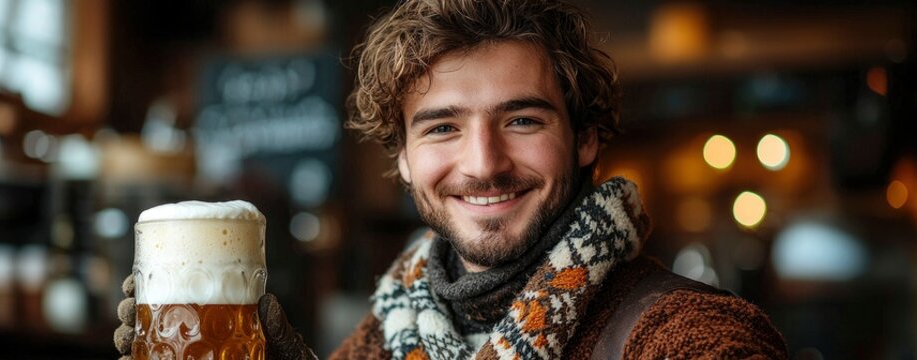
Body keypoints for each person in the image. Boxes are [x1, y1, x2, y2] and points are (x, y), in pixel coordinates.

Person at [114, 0, 789, 359]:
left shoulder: (683, 333)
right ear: (403, 159)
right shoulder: (389, 331)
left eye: (521, 121)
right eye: (441, 127)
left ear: (584, 137)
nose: (482, 163)